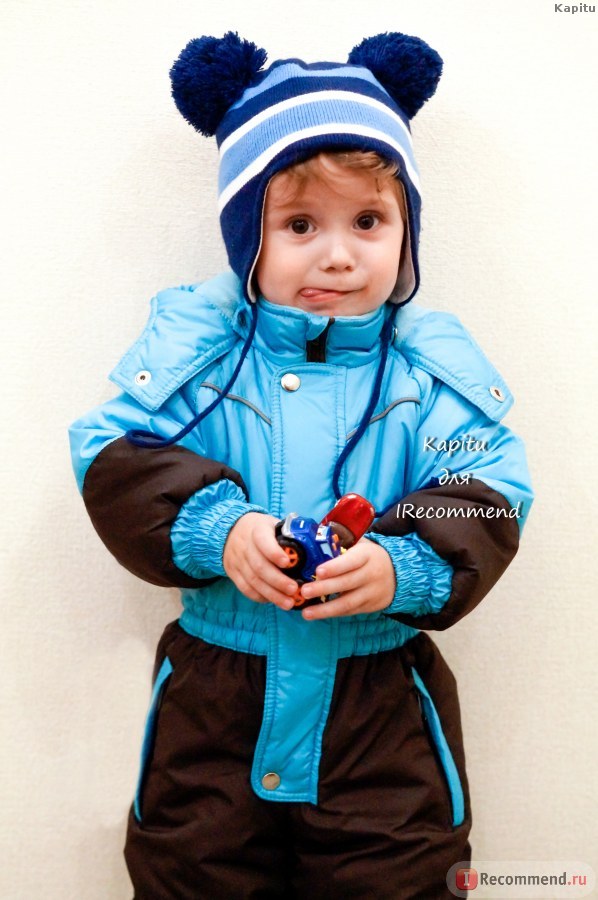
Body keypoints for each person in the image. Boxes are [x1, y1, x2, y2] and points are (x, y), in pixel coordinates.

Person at [69, 30, 533, 899]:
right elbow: (114, 450)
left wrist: (404, 565)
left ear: (406, 230)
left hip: (380, 709)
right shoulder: (201, 351)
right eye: (299, 225)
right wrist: (218, 528)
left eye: (368, 222)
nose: (338, 254)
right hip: (216, 703)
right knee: (190, 876)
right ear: (248, 235)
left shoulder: (426, 370)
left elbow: (489, 483)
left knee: (400, 881)